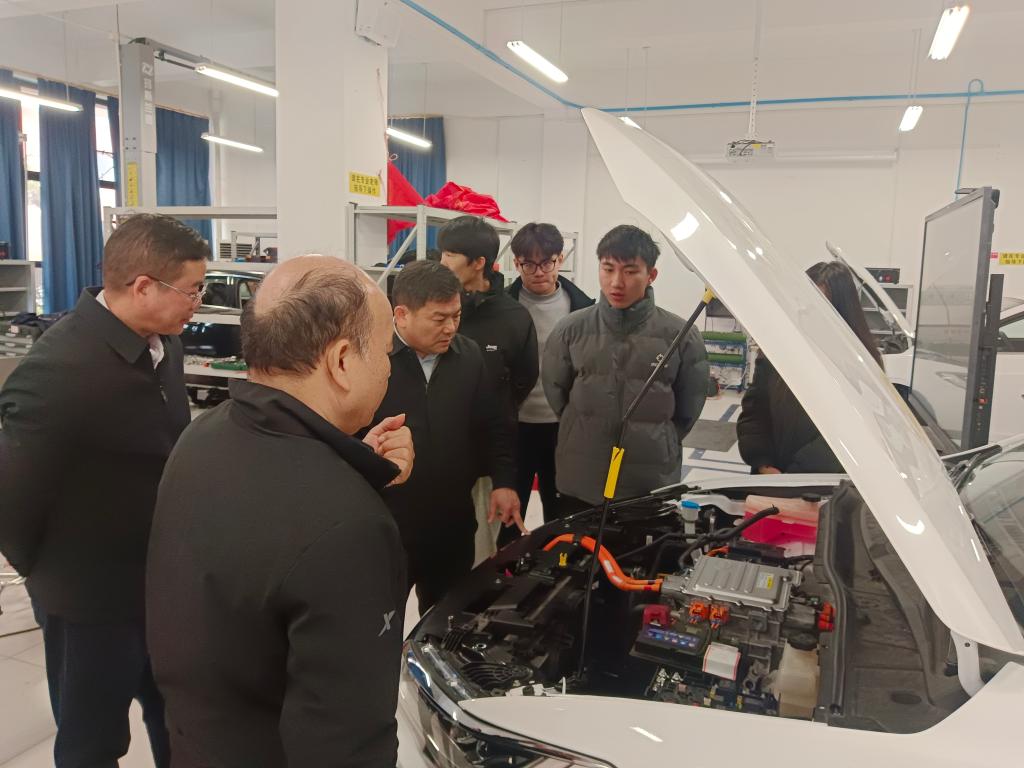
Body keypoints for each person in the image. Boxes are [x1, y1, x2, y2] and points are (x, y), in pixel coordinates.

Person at [146, 257, 414, 767]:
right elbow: (347, 741)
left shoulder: (202, 436)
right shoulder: (351, 526)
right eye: (384, 353)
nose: (387, 369)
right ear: (341, 361)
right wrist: (346, 488)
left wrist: (350, 465)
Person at [0, 214, 209, 768]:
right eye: (192, 290)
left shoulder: (163, 345)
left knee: (178, 717)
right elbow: (11, 500)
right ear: (143, 287)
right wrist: (53, 577)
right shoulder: (59, 371)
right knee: (91, 742)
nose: (198, 303)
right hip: (89, 601)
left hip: (158, 584)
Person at [373, 260, 521, 611]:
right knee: (381, 620)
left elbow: (492, 423)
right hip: (390, 525)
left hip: (452, 522)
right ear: (402, 314)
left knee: (446, 620)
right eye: (439, 319)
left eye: (456, 316)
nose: (451, 328)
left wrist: (503, 480)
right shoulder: (374, 358)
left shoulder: (468, 356)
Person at [543, 224, 709, 509]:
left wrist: (659, 438)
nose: (617, 282)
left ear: (651, 275)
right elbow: (556, 393)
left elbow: (688, 408)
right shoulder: (570, 330)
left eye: (630, 271)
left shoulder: (680, 335)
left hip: (650, 479)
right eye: (608, 269)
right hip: (583, 475)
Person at [738, 260, 883, 474]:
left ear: (841, 312)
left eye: (817, 308)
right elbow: (755, 411)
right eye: (803, 304)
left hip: (823, 484)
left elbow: (855, 434)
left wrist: (794, 477)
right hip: (770, 478)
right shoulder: (779, 350)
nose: (806, 313)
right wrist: (763, 463)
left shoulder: (863, 365)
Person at [499, 223, 594, 547]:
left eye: (547, 262)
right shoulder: (502, 308)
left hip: (563, 428)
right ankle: (507, 573)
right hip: (515, 428)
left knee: (562, 516)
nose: (539, 272)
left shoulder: (584, 308)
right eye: (529, 264)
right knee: (508, 519)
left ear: (560, 259)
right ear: (516, 263)